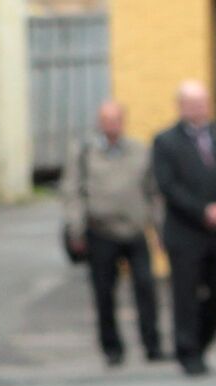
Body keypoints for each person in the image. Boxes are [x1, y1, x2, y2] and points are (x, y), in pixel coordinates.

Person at [61, 99, 163, 366]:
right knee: (104, 294)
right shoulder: (85, 154)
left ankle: (152, 345)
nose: (111, 125)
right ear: (99, 123)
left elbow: (153, 191)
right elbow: (72, 192)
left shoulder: (140, 151)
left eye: (116, 120)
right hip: (101, 232)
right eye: (106, 120)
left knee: (146, 287)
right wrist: (76, 229)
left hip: (135, 231)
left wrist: (158, 228)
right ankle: (112, 349)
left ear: (123, 121)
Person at [151, 80, 216, 376]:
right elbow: (168, 186)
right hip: (186, 232)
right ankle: (188, 352)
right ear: (181, 106)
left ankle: (201, 341)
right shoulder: (165, 141)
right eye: (192, 103)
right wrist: (203, 211)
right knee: (185, 295)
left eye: (203, 102)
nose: (199, 108)